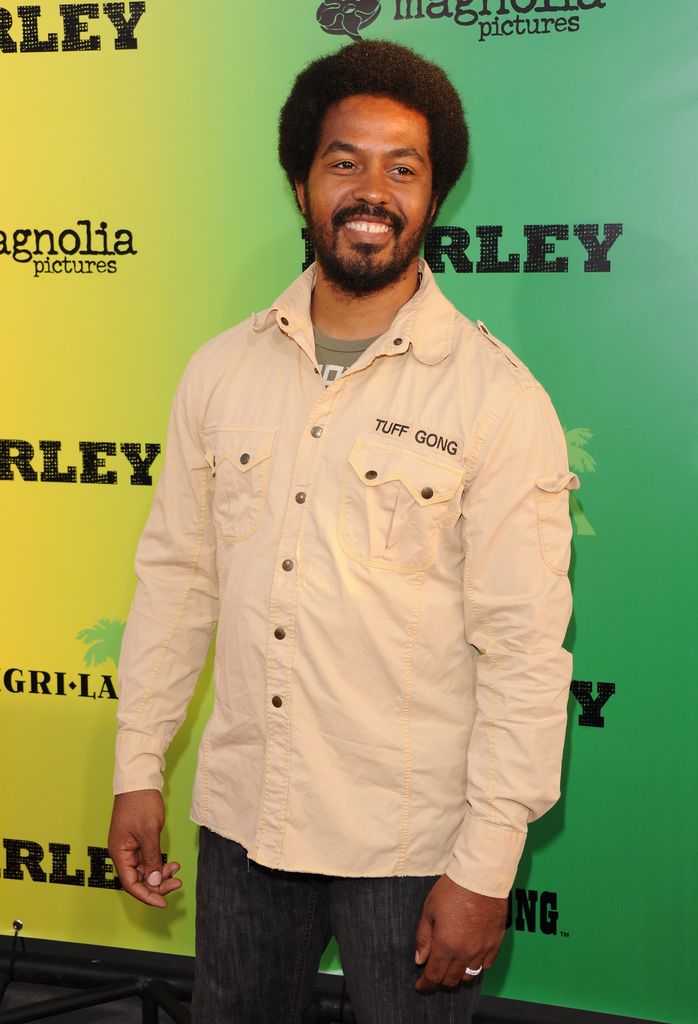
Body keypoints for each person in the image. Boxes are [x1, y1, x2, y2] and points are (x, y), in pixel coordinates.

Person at [108, 39, 578, 1024]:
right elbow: (176, 584)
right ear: (299, 183)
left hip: (409, 849)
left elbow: (524, 653)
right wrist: (137, 767)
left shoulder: (497, 401)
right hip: (242, 828)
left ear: (433, 194)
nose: (372, 190)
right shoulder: (219, 374)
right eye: (343, 162)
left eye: (401, 167)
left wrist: (485, 866)